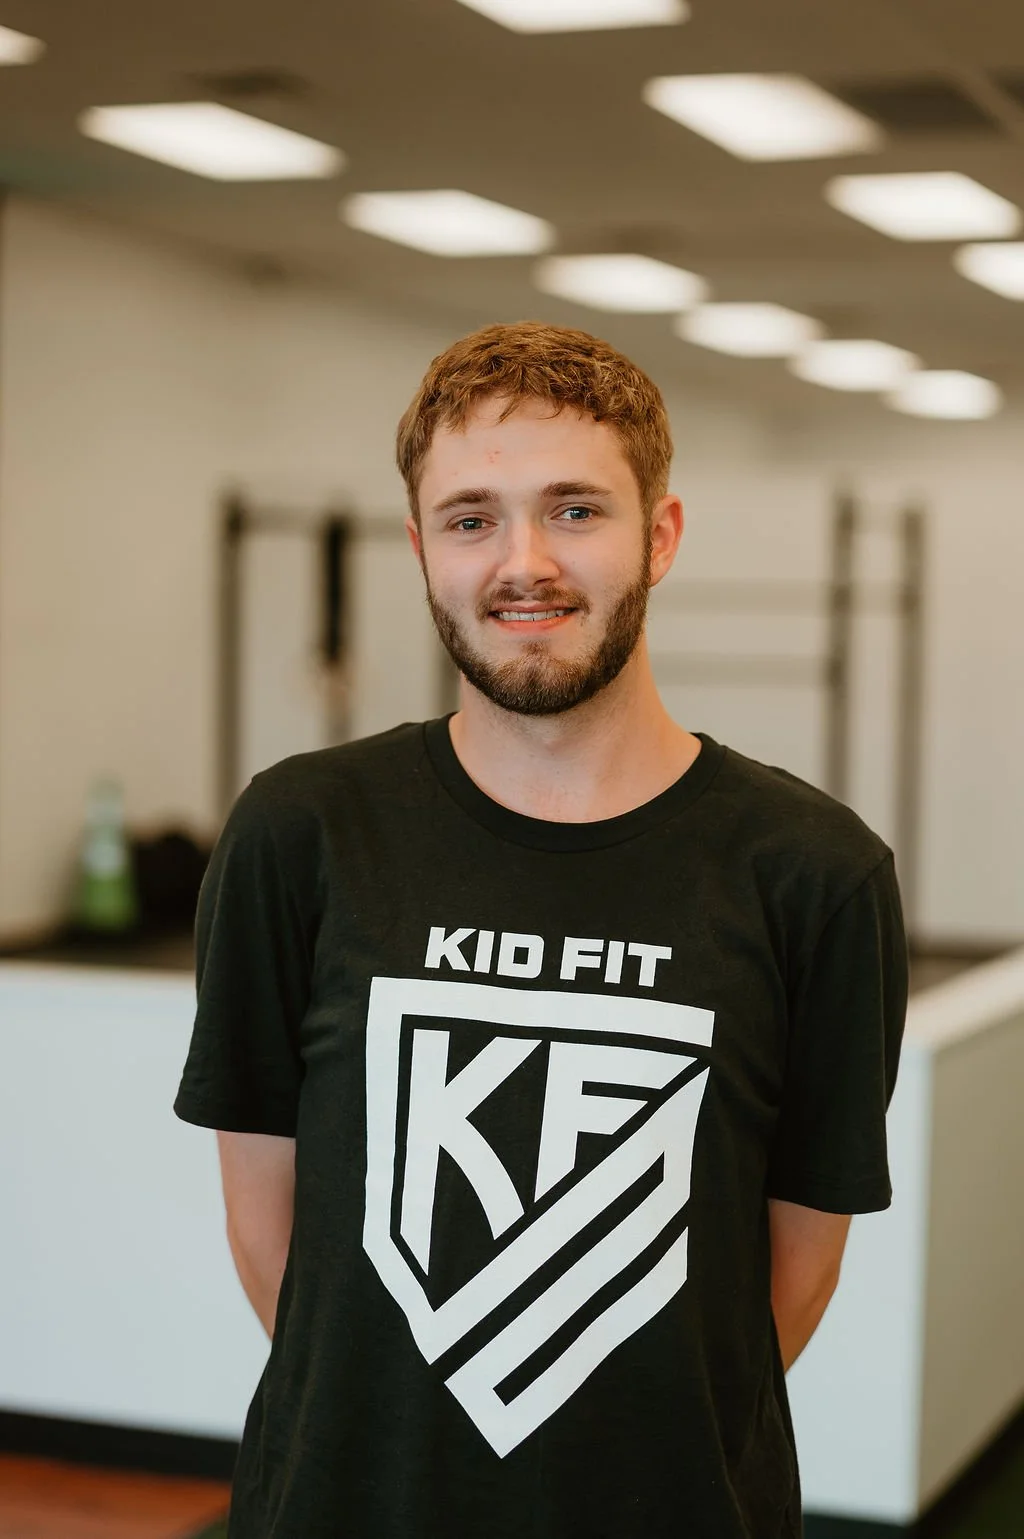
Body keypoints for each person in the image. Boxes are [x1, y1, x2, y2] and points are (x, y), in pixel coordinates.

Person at [174, 321, 908, 1539]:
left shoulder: (814, 873)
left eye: (575, 510)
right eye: (471, 519)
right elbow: (271, 1231)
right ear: (421, 549)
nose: (523, 563)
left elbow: (793, 1270)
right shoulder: (300, 831)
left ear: (658, 536)